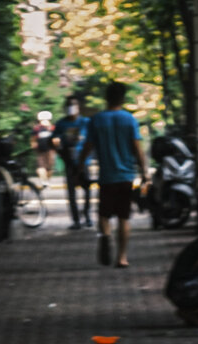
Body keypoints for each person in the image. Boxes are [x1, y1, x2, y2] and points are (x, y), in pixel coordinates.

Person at [81, 82, 145, 268]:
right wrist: (144, 171)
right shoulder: (129, 119)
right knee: (124, 217)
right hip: (126, 176)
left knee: (104, 215)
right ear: (122, 98)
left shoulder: (97, 120)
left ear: (106, 98)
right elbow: (137, 148)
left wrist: (79, 166)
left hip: (106, 176)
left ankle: (106, 235)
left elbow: (88, 146)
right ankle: (122, 257)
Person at [56, 98, 93, 228]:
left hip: (84, 161)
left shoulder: (86, 122)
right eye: (69, 105)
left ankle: (87, 216)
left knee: (87, 189)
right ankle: (76, 220)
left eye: (74, 104)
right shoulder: (61, 123)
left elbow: (92, 139)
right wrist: (60, 151)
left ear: (78, 106)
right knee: (71, 192)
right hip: (69, 161)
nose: (71, 107)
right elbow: (53, 140)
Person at [32, 110, 58, 181]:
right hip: (41, 151)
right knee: (41, 167)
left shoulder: (52, 128)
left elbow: (56, 139)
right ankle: (44, 181)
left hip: (50, 150)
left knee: (49, 168)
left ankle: (46, 181)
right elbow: (33, 140)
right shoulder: (37, 128)